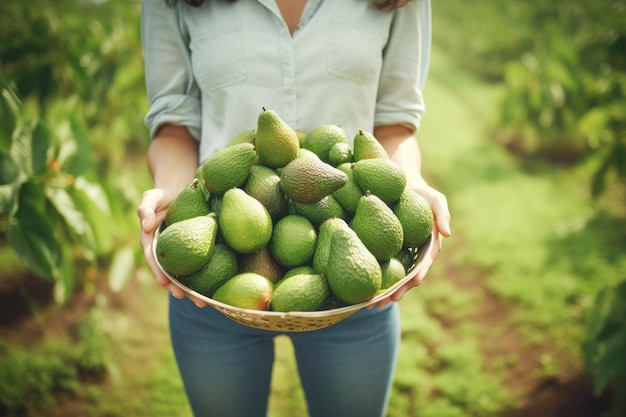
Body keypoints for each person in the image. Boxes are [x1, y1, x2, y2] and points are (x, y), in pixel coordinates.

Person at [137, 0, 451, 416]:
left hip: (354, 287)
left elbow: (395, 123)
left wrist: (407, 186)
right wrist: (171, 193)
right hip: (212, 284)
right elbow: (173, 126)